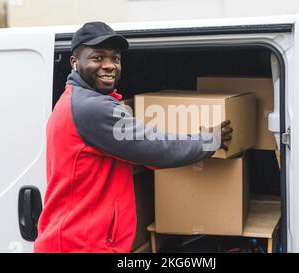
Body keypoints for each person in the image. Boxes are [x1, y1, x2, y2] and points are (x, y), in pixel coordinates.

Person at [34, 21, 233, 253]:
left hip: (83, 241)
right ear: (75, 62)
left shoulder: (78, 101)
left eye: (115, 59)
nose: (109, 65)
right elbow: (156, 149)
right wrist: (209, 140)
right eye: (98, 58)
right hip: (80, 245)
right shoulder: (91, 108)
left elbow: (143, 151)